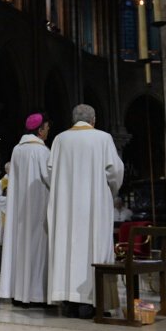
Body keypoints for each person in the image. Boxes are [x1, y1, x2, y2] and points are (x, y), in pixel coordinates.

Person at [47, 104, 125, 319]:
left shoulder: (60, 139)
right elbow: (115, 171)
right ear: (94, 119)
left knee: (67, 250)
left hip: (66, 208)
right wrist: (111, 189)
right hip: (93, 206)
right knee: (93, 249)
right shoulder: (103, 138)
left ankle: (69, 302)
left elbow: (51, 171)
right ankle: (91, 302)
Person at [0, 113, 51, 306]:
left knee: (20, 249)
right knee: (37, 250)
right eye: (46, 128)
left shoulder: (17, 150)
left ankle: (19, 293)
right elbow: (50, 177)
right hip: (38, 208)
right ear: (39, 130)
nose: (47, 131)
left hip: (20, 209)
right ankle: (36, 295)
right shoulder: (43, 151)